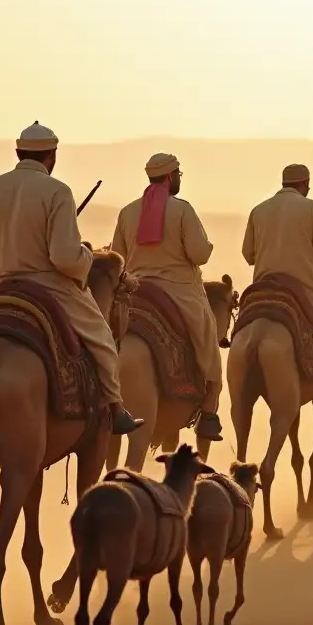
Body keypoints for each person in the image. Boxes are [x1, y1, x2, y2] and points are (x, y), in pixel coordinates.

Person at [0, 122, 143, 436]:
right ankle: (115, 408)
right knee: (102, 336)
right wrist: (85, 255)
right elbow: (64, 258)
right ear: (52, 155)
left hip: (0, 288)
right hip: (51, 288)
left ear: (18, 153)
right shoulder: (58, 191)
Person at [111, 153, 224, 440]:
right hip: (179, 291)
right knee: (207, 332)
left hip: (136, 290)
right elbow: (199, 254)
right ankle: (209, 408)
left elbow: (116, 257)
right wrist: (208, 246)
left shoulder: (127, 212)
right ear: (171, 176)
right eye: (179, 175)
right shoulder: (182, 210)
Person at [241, 164, 313, 416]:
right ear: (305, 184)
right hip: (306, 284)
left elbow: (248, 254)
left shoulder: (258, 210)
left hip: (264, 284)